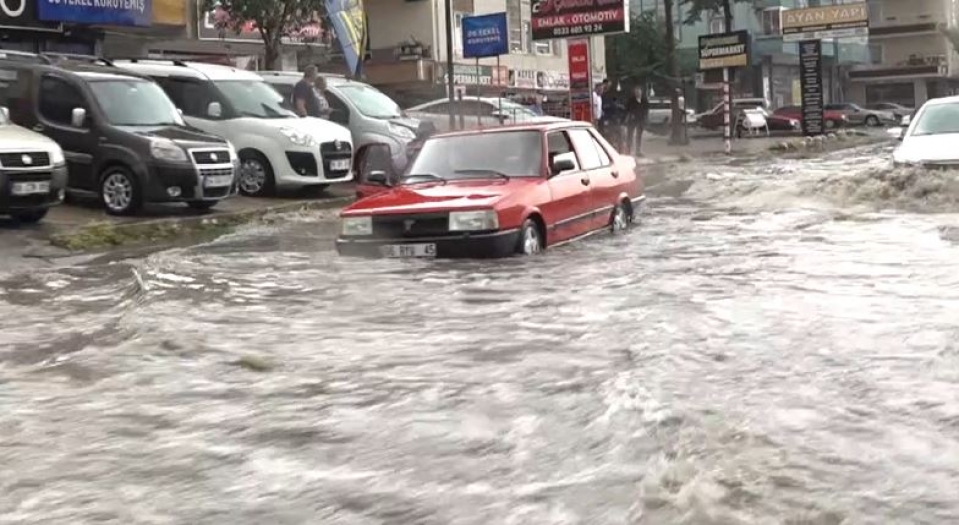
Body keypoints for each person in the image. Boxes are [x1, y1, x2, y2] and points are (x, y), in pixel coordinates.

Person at [625, 86, 650, 156]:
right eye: (636, 92)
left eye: (639, 92)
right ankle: (628, 150)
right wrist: (630, 114)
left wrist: (646, 118)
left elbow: (646, 109)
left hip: (641, 120)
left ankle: (638, 151)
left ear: (641, 92)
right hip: (632, 120)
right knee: (630, 135)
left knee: (639, 136)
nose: (637, 93)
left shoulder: (644, 100)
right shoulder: (631, 100)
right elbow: (627, 108)